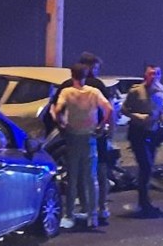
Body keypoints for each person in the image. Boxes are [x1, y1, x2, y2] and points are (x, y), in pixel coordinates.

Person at [50, 51, 118, 222]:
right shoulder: (96, 87)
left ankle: (73, 212)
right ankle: (98, 210)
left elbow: (54, 109)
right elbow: (110, 109)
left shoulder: (65, 88)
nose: (95, 71)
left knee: (74, 174)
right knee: (96, 173)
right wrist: (105, 128)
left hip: (72, 135)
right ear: (87, 68)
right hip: (94, 135)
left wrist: (61, 124)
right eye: (94, 67)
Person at [122, 63, 163, 218]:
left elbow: (162, 109)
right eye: (151, 73)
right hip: (138, 133)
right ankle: (144, 202)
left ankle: (144, 202)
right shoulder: (136, 91)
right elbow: (124, 109)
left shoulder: (161, 92)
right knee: (146, 166)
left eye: (157, 74)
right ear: (145, 75)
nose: (154, 76)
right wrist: (136, 116)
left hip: (154, 133)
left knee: (147, 169)